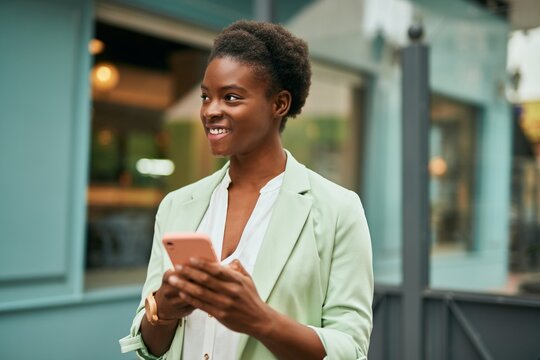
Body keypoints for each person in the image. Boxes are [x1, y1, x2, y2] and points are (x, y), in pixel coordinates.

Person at [119, 20, 373, 360]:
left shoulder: (338, 209)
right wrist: (163, 308)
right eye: (206, 96)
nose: (210, 111)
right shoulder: (177, 205)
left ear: (279, 104)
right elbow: (149, 347)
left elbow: (352, 349)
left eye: (231, 97)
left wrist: (259, 319)